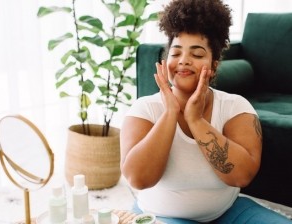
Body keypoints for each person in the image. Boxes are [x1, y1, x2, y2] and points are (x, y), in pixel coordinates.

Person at [120, 0, 292, 223]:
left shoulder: (236, 107)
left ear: (214, 66)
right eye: (176, 53)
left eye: (197, 54)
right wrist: (170, 113)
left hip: (228, 213)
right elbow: (138, 179)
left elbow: (242, 176)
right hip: (162, 215)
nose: (183, 61)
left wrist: (196, 120)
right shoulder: (144, 109)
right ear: (165, 62)